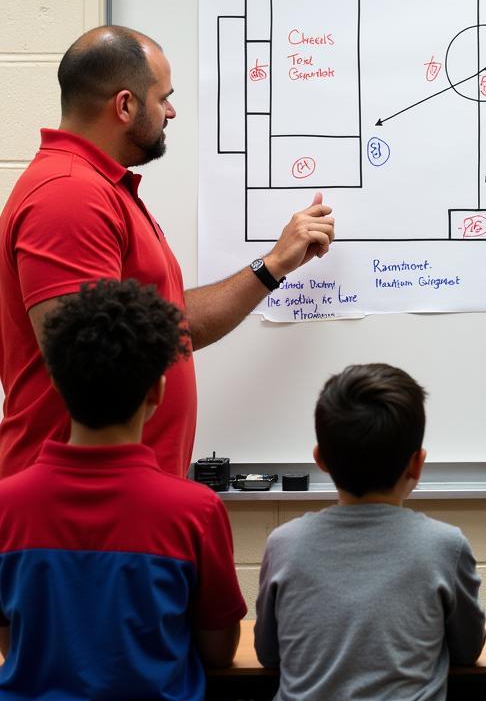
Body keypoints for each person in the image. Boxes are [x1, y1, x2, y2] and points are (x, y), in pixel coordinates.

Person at [0, 25, 335, 478]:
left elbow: (170, 326)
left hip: (116, 503)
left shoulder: (100, 189)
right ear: (125, 105)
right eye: (163, 98)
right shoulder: (69, 195)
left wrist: (274, 265)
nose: (171, 111)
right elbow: (89, 371)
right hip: (87, 513)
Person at [0, 278, 247, 701]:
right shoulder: (195, 510)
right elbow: (218, 651)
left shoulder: (5, 509)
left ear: (54, 379)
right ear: (158, 390)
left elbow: (13, 646)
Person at [254, 362, 486, 701]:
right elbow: (468, 649)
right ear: (417, 463)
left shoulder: (284, 544)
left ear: (320, 458)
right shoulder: (444, 545)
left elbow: (268, 654)